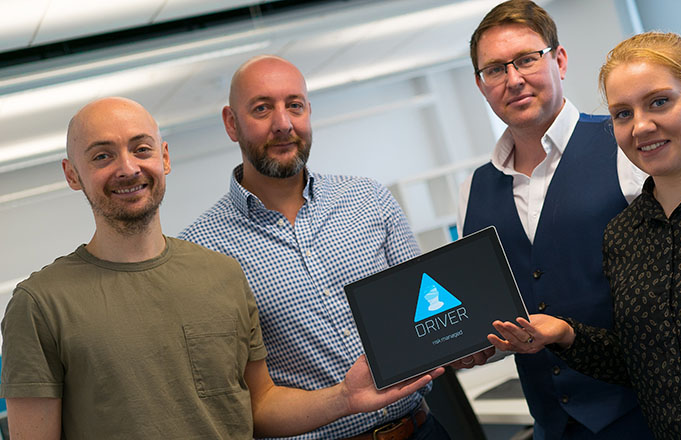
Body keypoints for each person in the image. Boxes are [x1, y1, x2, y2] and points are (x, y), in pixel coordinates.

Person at [0, 97, 441, 439]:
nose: (128, 168)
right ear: (72, 174)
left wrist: (343, 398)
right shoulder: (40, 305)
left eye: (141, 149)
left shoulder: (223, 274)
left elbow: (260, 404)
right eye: (102, 156)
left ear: (164, 158)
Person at [489, 31, 681, 440]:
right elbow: (645, 365)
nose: (641, 126)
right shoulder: (624, 235)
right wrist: (566, 335)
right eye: (623, 113)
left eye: (659, 102)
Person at [179, 56, 451, 440]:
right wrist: (343, 399)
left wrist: (466, 341)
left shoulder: (369, 200)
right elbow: (243, 406)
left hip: (421, 430)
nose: (283, 123)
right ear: (231, 123)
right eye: (262, 109)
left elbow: (427, 313)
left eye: (294, 105)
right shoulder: (200, 252)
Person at [454, 1, 653, 439]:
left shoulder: (627, 148)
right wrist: (469, 346)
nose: (513, 79)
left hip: (647, 414)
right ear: (481, 85)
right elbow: (490, 311)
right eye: (495, 69)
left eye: (527, 59)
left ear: (559, 60)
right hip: (552, 425)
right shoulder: (473, 190)